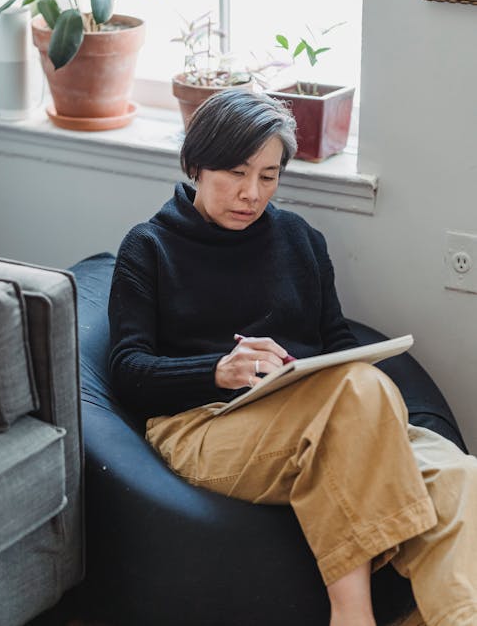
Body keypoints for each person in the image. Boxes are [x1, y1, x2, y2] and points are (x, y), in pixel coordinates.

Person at [108, 89, 477, 626]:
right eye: (235, 173)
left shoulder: (300, 239)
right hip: (203, 425)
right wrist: (217, 370)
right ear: (195, 165)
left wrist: (332, 372)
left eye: (268, 175)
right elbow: (127, 371)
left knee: (459, 473)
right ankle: (352, 614)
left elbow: (336, 343)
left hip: (323, 413)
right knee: (359, 394)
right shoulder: (148, 247)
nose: (251, 193)